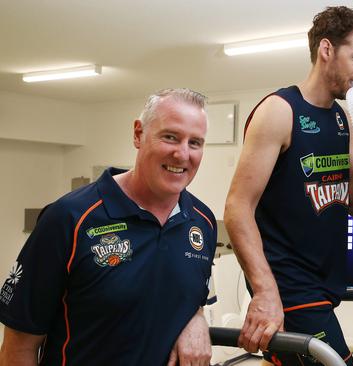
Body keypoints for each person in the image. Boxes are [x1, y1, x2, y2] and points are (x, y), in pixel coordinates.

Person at [0, 89, 217, 366]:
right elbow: (19, 346)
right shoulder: (69, 218)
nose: (182, 153)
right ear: (138, 134)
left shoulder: (202, 222)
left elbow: (193, 293)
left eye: (195, 142)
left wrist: (197, 317)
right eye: (170, 137)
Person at [223, 6, 353, 366]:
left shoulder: (342, 118)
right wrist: (264, 293)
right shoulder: (280, 110)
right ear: (326, 50)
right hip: (288, 286)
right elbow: (237, 208)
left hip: (324, 285)